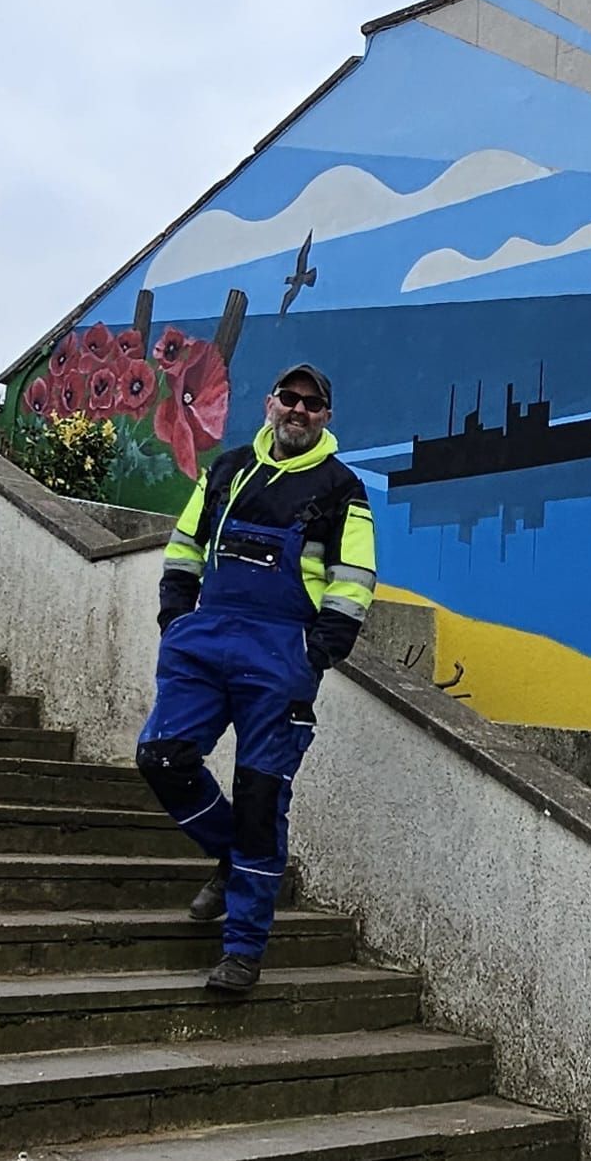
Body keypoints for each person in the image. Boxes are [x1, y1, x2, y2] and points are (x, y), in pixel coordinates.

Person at [136, 363, 376, 992]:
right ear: (270, 403)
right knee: (162, 757)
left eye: (311, 404)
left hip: (280, 654)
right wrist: (175, 618)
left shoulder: (343, 489)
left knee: (261, 798)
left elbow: (354, 584)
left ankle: (242, 950)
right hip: (206, 640)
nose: (298, 411)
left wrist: (315, 654)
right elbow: (187, 543)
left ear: (326, 416)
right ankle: (232, 855)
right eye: (289, 399)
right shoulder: (228, 468)